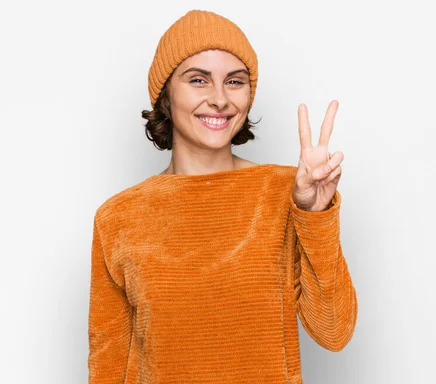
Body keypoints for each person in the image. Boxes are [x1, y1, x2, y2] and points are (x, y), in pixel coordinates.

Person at [88, 9, 358, 384]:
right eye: (198, 80)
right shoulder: (118, 217)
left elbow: (333, 331)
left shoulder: (288, 194)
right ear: (166, 94)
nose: (219, 99)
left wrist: (316, 213)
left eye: (235, 81)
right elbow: (108, 364)